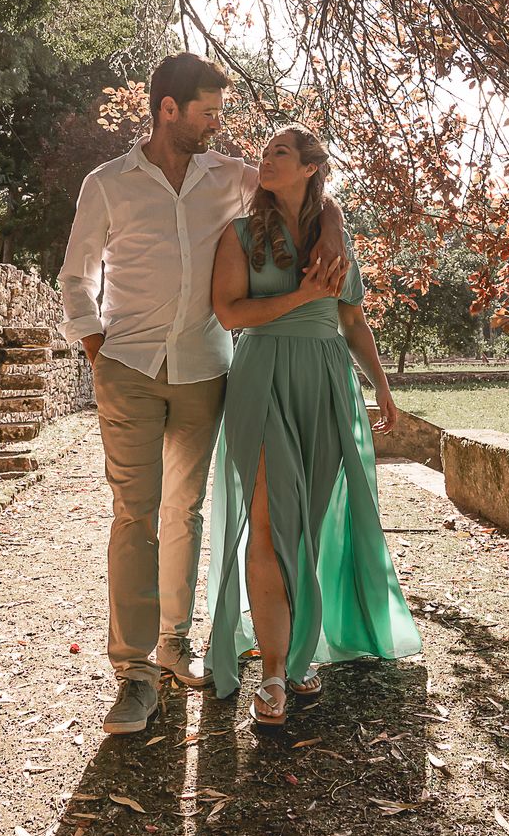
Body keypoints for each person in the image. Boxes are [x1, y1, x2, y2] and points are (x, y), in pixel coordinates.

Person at [59, 55, 346, 735]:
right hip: (127, 365)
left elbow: (303, 189)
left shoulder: (230, 176)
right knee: (137, 514)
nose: (219, 124)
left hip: (205, 372)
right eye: (209, 113)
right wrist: (96, 350)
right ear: (168, 110)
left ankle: (173, 646)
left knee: (184, 511)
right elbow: (76, 276)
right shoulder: (107, 185)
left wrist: (331, 223)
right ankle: (132, 675)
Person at [206, 123, 421, 727]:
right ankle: (273, 672)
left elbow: (351, 321)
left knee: (309, 521)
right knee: (272, 518)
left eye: (279, 152)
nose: (265, 159)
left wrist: (380, 382)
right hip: (263, 374)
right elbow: (228, 311)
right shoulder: (240, 234)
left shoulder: (335, 237)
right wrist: (301, 299)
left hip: (328, 380)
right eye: (264, 151)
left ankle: (299, 657)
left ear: (309, 167)